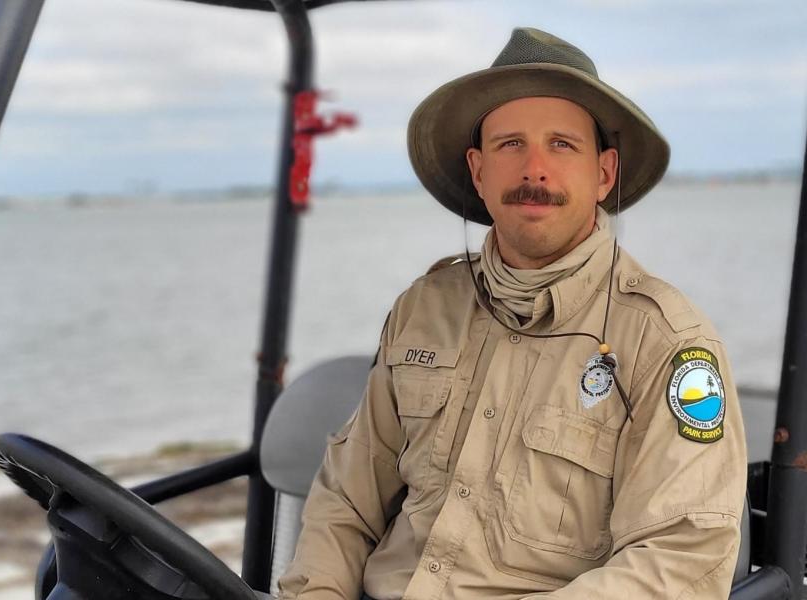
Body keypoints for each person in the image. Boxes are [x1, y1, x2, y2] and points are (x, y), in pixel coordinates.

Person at [277, 27, 747, 599]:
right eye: (510, 145)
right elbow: (346, 502)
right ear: (478, 171)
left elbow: (680, 563)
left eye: (562, 145)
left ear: (604, 174)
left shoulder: (666, 341)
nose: (535, 170)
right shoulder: (424, 308)